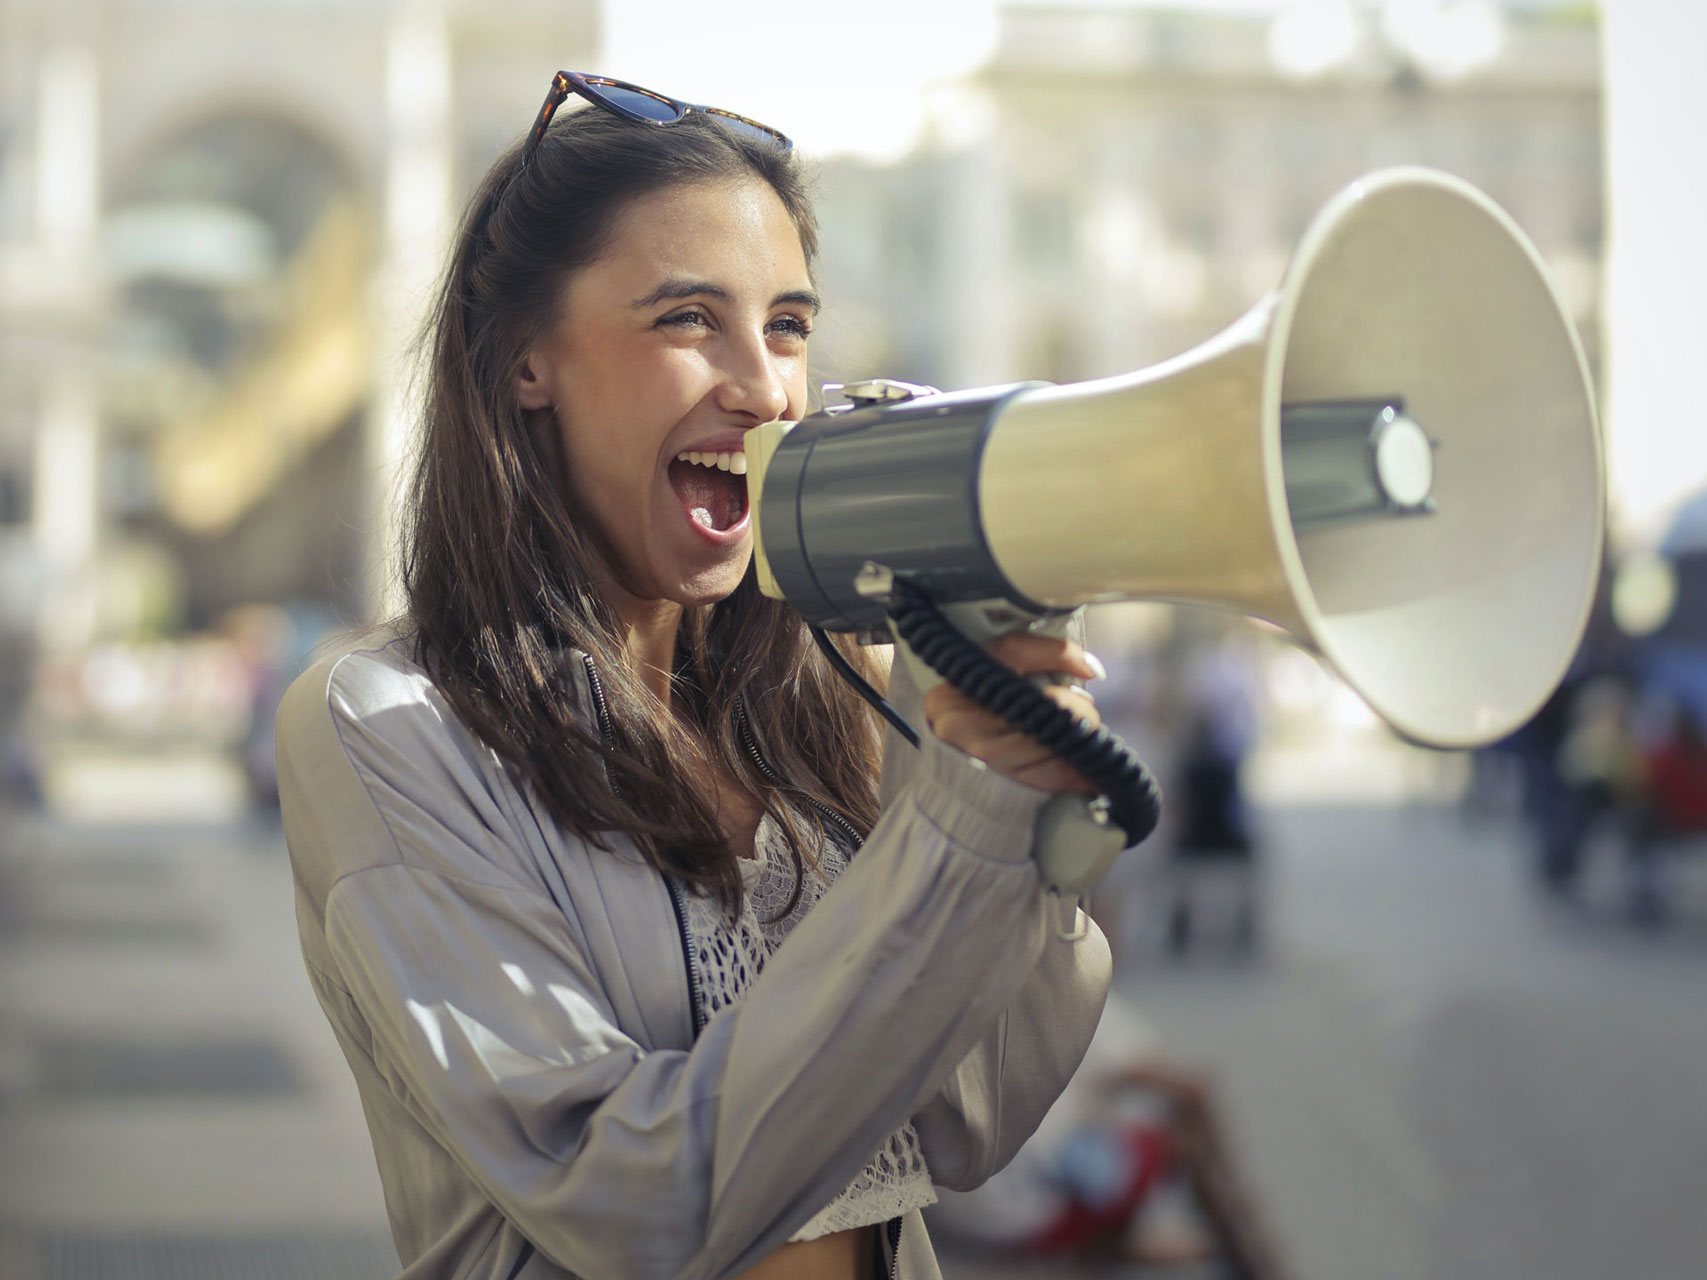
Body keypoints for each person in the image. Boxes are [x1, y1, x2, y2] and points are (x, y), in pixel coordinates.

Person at [276, 72, 1113, 1280]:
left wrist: (1006, 807)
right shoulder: (387, 723)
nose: (765, 386)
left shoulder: (831, 692)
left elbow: (967, 1116)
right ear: (525, 363)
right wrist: (952, 828)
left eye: (787, 325)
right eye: (686, 320)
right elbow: (629, 1201)